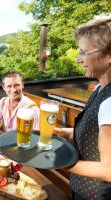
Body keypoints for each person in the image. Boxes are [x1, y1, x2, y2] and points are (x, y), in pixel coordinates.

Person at [54, 14, 111, 199]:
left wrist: (57, 161)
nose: (79, 59)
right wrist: (65, 132)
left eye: (83, 52)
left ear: (108, 56)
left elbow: (108, 169)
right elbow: (95, 134)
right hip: (82, 188)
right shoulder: (99, 88)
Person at [0, 70, 39, 135]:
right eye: (9, 86)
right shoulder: (3, 102)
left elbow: (36, 136)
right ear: (4, 87)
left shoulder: (33, 109)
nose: (13, 90)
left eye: (17, 85)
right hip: (5, 142)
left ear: (22, 85)